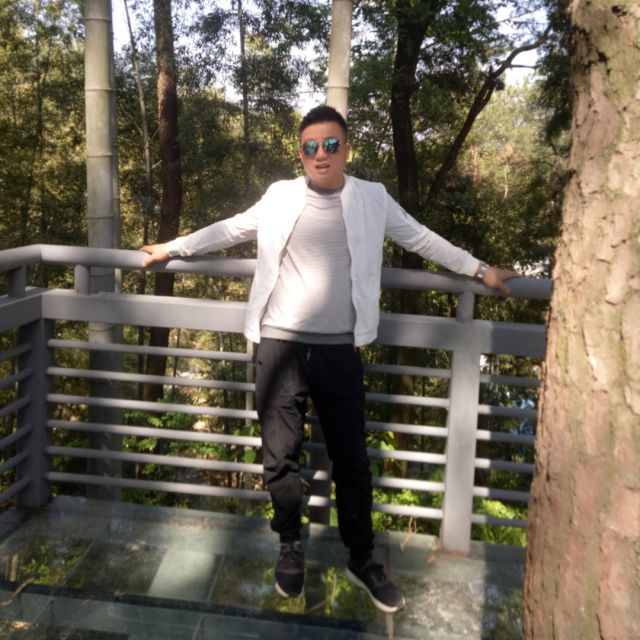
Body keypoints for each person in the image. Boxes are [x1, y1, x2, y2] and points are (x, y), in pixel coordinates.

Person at [141, 105, 517, 613]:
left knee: (353, 462)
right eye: (311, 147)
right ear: (301, 153)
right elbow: (230, 229)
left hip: (340, 349)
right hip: (279, 346)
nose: (321, 155)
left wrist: (479, 269)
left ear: (346, 150)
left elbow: (419, 237)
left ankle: (361, 558)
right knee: (280, 458)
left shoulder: (371, 198)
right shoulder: (279, 196)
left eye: (331, 145)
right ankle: (289, 545)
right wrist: (172, 247)